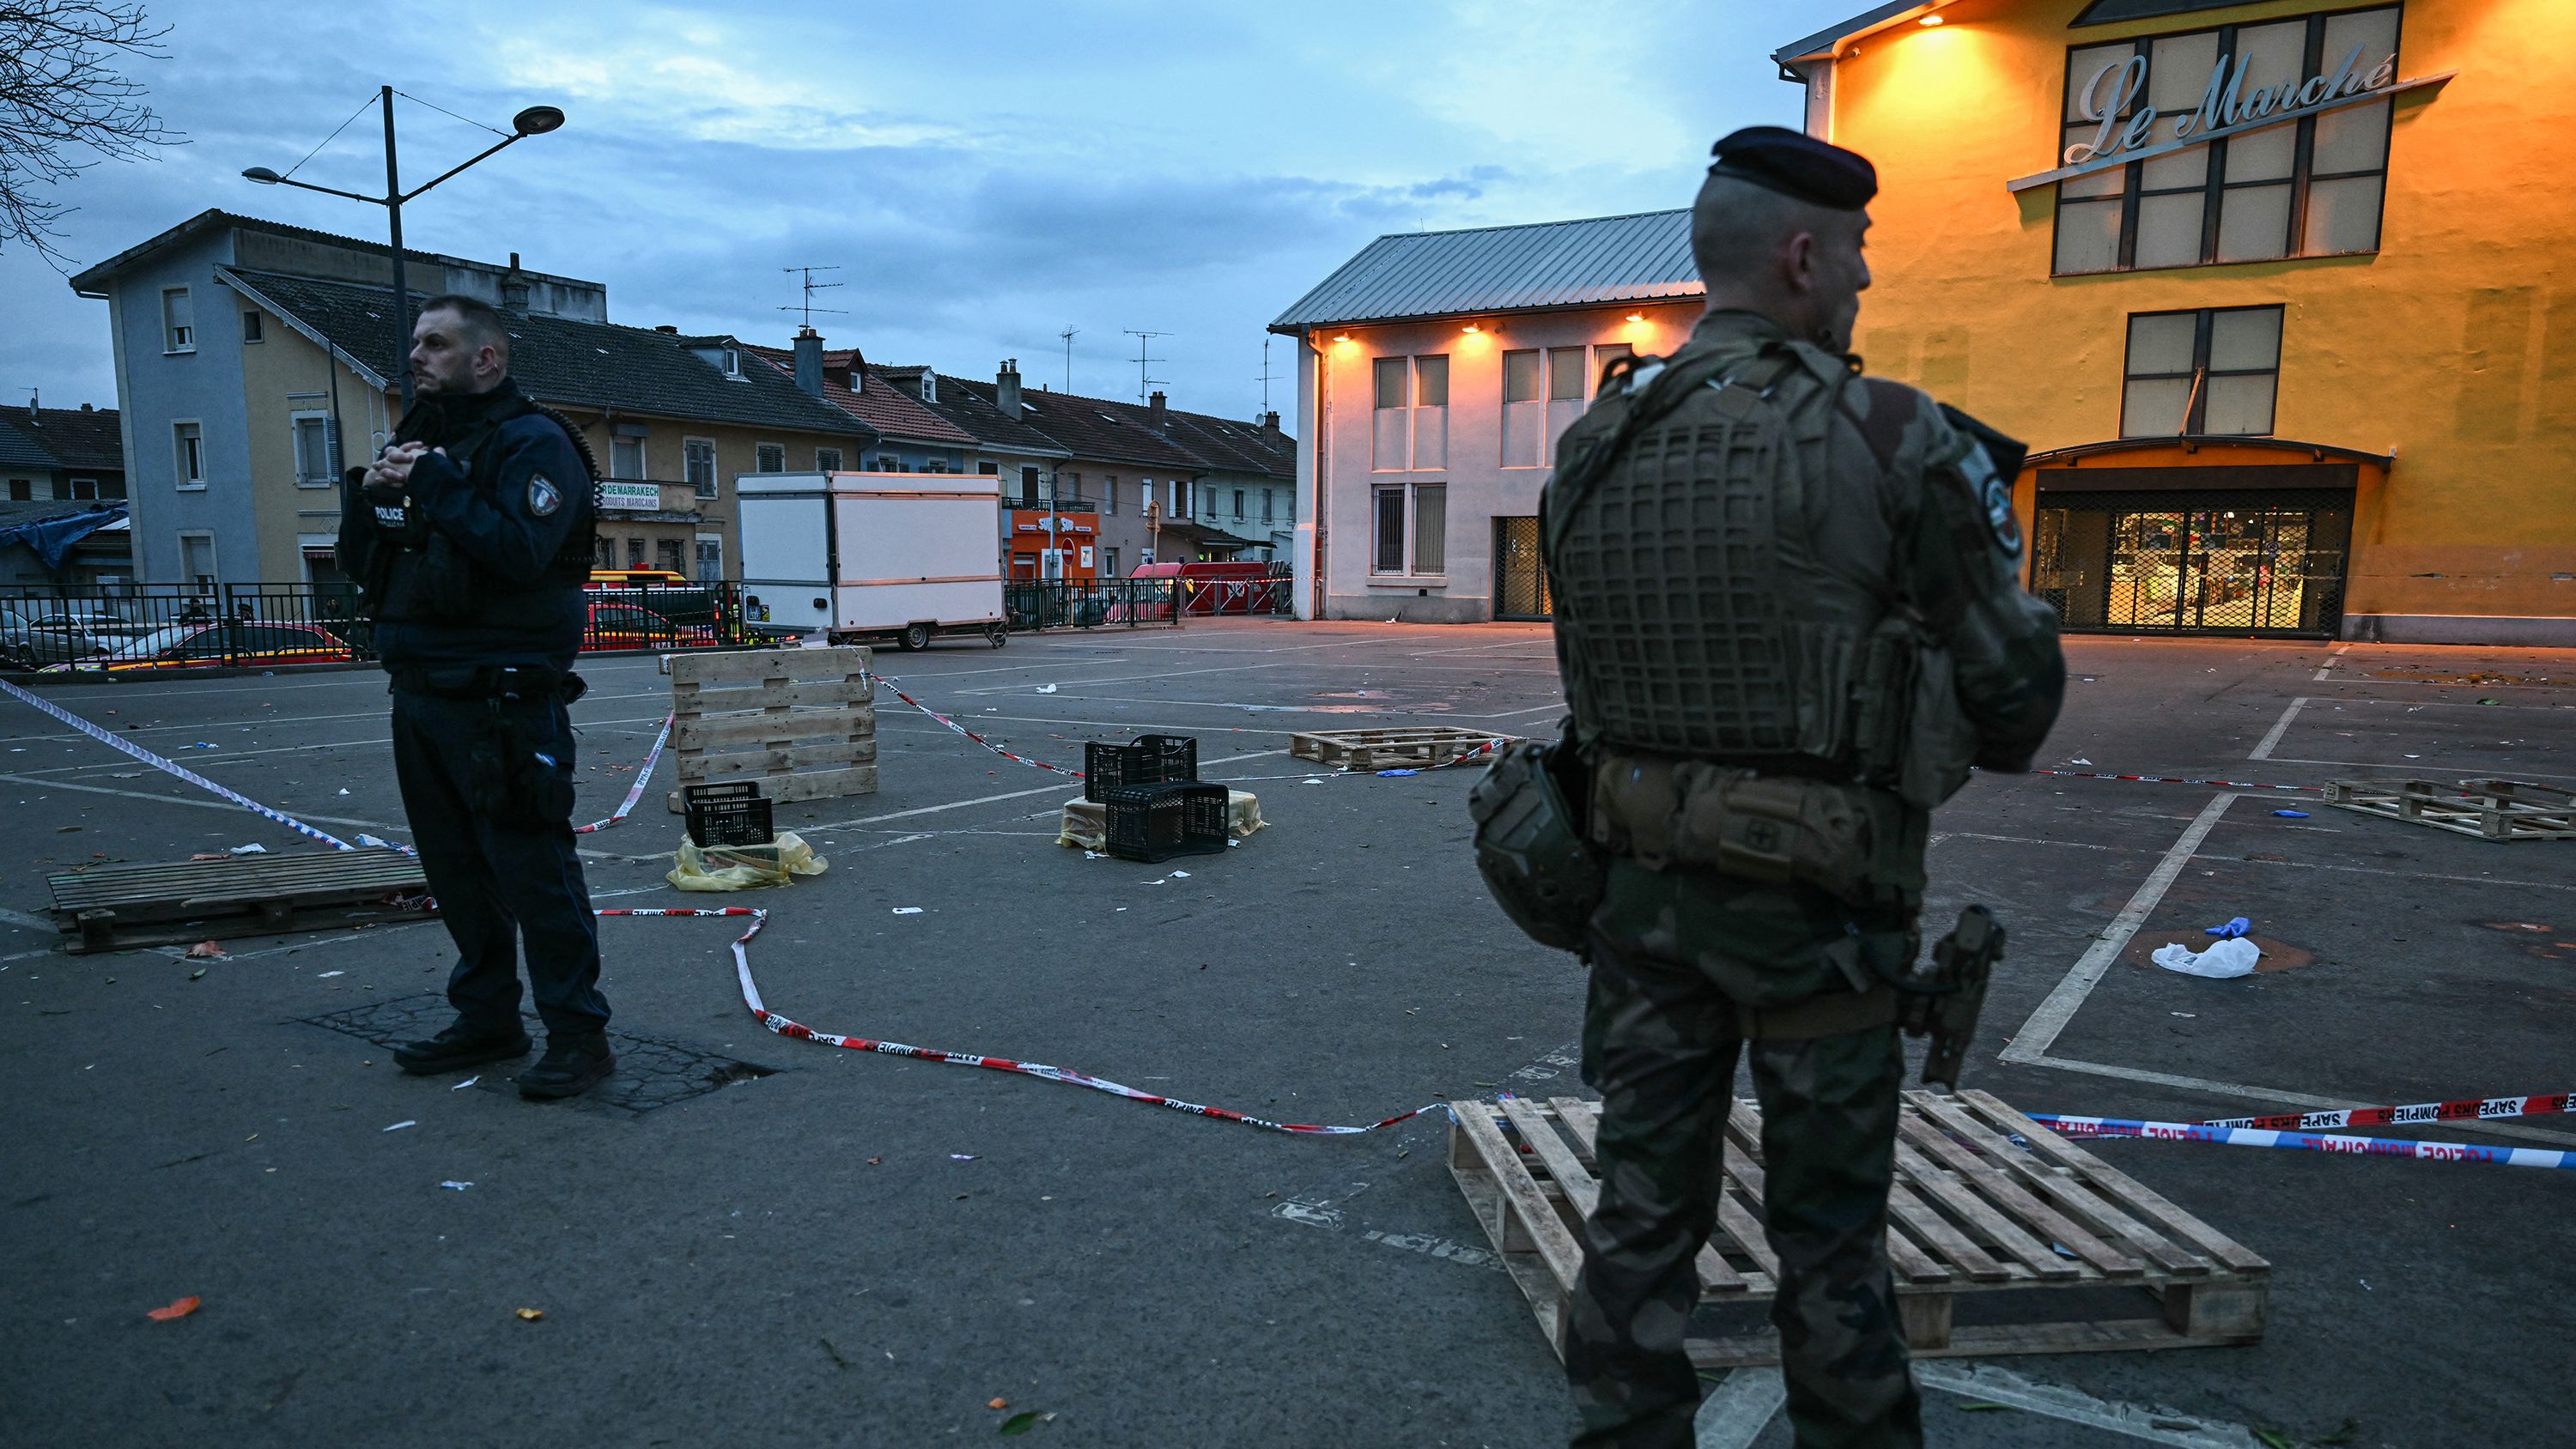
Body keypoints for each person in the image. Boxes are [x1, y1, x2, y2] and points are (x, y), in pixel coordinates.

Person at [1543, 128, 2067, 1446]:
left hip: (1642, 898)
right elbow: (2013, 706)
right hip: (1821, 919)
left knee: (1637, 1222)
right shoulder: (1892, 432)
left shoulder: (1597, 438)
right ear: (1802, 253)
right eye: (1858, 256)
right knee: (1830, 1243)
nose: (1865, 284)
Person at [337, 294, 617, 1100]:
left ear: (485, 358)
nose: (415, 357)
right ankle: (488, 1015)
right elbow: (365, 561)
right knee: (455, 871)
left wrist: (436, 483)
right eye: (415, 344)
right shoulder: (421, 439)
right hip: (421, 690)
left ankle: (578, 1034)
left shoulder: (534, 443)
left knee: (533, 869)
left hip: (504, 696)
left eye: (435, 344)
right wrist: (379, 492)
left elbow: (521, 551)